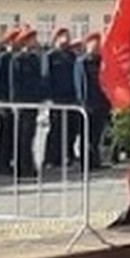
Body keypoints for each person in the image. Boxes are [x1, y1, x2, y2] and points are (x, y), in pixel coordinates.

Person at [9, 28, 44, 179]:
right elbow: (14, 83)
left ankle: (28, 165)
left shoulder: (35, 59)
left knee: (30, 136)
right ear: (26, 42)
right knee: (22, 137)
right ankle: (22, 167)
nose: (35, 41)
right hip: (22, 102)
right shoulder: (17, 59)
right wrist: (14, 103)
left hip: (32, 102)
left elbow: (38, 81)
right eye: (32, 39)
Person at [42, 27, 79, 169]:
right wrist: (49, 97)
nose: (66, 39)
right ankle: (50, 158)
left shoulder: (71, 56)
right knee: (56, 129)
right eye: (63, 36)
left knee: (71, 129)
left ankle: (68, 155)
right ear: (56, 38)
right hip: (57, 98)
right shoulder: (51, 56)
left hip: (71, 97)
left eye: (68, 36)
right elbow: (46, 76)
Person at [74, 32, 109, 170]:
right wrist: (82, 102)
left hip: (101, 102)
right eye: (94, 43)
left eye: (98, 43)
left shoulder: (102, 61)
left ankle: (95, 161)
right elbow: (80, 84)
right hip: (88, 103)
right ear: (88, 45)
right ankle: (85, 163)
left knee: (96, 135)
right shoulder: (82, 62)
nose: (96, 46)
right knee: (86, 135)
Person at [0, 29, 18, 177]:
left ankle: (8, 162)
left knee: (11, 133)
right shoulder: (3, 58)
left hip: (13, 101)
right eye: (13, 41)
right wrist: (0, 100)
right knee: (5, 133)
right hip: (4, 101)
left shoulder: (15, 57)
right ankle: (1, 164)